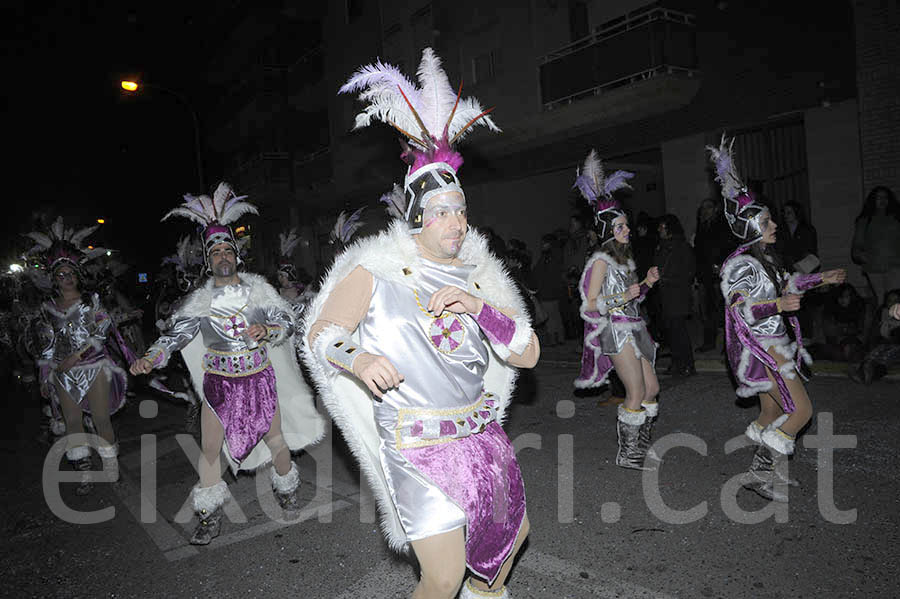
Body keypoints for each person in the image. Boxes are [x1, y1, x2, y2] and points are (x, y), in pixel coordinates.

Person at [307, 48, 539, 599]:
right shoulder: (377, 268)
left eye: (461, 209)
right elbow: (324, 335)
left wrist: (478, 307)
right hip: (417, 442)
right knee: (442, 574)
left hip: (482, 437)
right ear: (416, 215)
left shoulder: (480, 275)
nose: (457, 221)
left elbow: (527, 353)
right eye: (442, 211)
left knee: (513, 536)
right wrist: (357, 358)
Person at [130, 183, 325, 545]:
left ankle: (287, 489)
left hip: (259, 381)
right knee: (209, 451)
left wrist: (267, 329)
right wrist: (151, 357)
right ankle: (208, 515)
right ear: (208, 260)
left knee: (277, 442)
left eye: (227, 250)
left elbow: (286, 322)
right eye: (215, 251)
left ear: (236, 256)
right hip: (218, 386)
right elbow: (175, 337)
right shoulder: (199, 304)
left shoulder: (259, 292)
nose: (222, 256)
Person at [709, 136, 846, 502]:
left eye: (771, 219)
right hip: (761, 348)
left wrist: (822, 278)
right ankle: (759, 474)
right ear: (751, 226)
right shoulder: (741, 265)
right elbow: (740, 312)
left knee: (772, 411)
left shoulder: (767, 259)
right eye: (767, 221)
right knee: (801, 410)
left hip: (776, 343)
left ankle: (771, 470)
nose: (774, 225)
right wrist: (778, 308)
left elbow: (788, 283)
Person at [27, 217, 135, 495]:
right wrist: (44, 375)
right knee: (72, 423)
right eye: (60, 274)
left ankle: (110, 468)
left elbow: (101, 333)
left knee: (101, 419)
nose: (66, 278)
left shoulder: (92, 302)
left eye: (70, 272)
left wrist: (76, 356)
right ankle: (85, 473)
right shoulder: (47, 308)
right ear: (53, 278)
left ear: (78, 274)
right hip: (62, 373)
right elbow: (46, 346)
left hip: (93, 366)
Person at [571, 150, 661, 469]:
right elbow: (590, 304)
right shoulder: (600, 262)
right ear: (610, 231)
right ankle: (629, 453)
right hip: (617, 332)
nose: (628, 230)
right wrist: (624, 295)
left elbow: (633, 299)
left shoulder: (625, 260)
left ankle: (641, 441)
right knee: (635, 390)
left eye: (627, 226)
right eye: (621, 227)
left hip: (635, 328)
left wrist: (646, 284)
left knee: (652, 387)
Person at [654, 214, 697, 375]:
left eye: (662, 227)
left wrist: (669, 279)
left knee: (679, 331)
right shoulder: (662, 246)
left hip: (677, 294)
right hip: (666, 294)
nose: (660, 230)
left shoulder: (681, 246)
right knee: (671, 331)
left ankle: (687, 364)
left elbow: (688, 271)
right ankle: (677, 362)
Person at [694, 198, 733, 351]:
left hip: (720, 274)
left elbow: (727, 247)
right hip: (705, 275)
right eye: (703, 208)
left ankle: (728, 344)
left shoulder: (722, 226)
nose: (705, 211)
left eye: (708, 207)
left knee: (722, 310)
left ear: (715, 209)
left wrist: (721, 264)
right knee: (707, 310)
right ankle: (709, 342)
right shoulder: (701, 227)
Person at [851, 186, 900, 304]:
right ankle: (883, 322)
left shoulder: (897, 218)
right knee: (882, 299)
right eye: (878, 198)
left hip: (895, 264)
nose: (882, 200)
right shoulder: (865, 220)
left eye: (885, 197)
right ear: (873, 200)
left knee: (894, 298)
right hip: (873, 266)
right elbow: (857, 242)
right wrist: (859, 254)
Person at [850, 289, 900, 384]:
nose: (893, 304)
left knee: (887, 357)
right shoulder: (883, 313)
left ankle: (871, 375)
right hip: (883, 343)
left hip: (896, 347)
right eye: (890, 301)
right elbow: (875, 334)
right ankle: (862, 371)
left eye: (896, 301)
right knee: (873, 354)